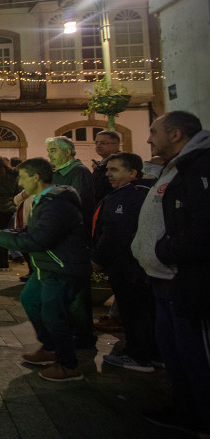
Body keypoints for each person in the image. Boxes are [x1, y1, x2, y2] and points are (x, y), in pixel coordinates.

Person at [131, 111, 210, 435]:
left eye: (154, 131)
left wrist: (165, 250)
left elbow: (203, 226)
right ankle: (185, 408)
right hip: (163, 279)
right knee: (174, 351)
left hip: (184, 279)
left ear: (176, 134)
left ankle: (204, 415)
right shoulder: (176, 165)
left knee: (195, 355)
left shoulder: (199, 166)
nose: (148, 139)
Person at [0, 157, 91, 382]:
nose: (19, 183)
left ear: (36, 177)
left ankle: (68, 365)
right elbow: (32, 231)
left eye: (22, 177)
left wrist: (1, 237)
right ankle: (50, 347)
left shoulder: (57, 203)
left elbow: (40, 239)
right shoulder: (45, 200)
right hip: (46, 267)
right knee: (31, 300)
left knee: (53, 314)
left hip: (61, 268)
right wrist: (7, 234)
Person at [90, 152, 155, 372]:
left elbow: (116, 234)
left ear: (133, 173)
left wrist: (98, 259)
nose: (108, 174)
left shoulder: (129, 196)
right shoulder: (143, 192)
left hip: (128, 266)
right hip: (138, 265)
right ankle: (150, 353)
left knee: (133, 311)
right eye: (107, 169)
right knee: (142, 311)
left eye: (114, 170)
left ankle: (138, 356)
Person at [45, 135, 96, 347]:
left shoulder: (78, 172)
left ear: (67, 153)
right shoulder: (58, 174)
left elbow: (77, 204)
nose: (50, 155)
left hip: (70, 241)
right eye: (49, 151)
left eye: (54, 150)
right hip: (56, 241)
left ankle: (82, 336)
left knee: (76, 291)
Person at [91, 130, 121, 204]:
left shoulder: (121, 163)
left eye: (103, 143)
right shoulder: (101, 164)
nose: (98, 145)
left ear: (116, 145)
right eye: (96, 143)